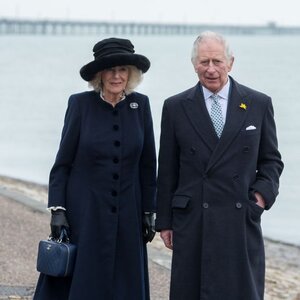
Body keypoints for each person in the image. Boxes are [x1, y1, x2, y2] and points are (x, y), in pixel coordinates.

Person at [155, 31, 284, 300]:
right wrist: (165, 222)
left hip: (239, 218)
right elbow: (167, 170)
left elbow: (271, 160)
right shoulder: (176, 106)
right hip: (192, 220)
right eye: (204, 62)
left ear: (231, 62)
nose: (210, 69)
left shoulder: (258, 104)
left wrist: (259, 198)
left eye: (217, 61)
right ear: (194, 65)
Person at [33, 37, 157, 300]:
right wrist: (58, 209)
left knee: (125, 284)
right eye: (110, 70)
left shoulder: (141, 106)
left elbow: (148, 164)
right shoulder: (80, 105)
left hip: (128, 212)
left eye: (122, 69)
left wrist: (149, 210)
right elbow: (62, 163)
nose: (116, 75)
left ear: (131, 74)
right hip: (85, 211)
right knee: (83, 281)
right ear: (99, 75)